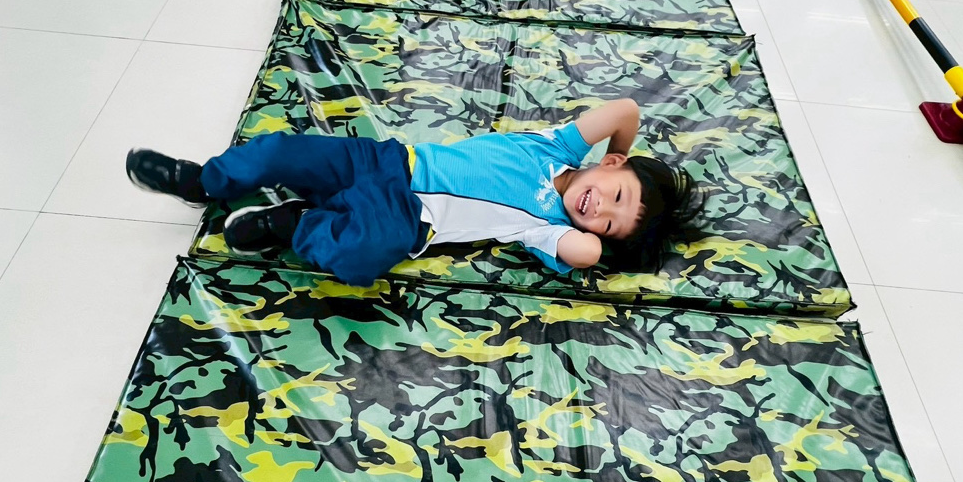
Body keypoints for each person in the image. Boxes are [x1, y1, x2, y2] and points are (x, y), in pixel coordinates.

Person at [126, 98, 703, 287]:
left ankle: (293, 223)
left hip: (406, 216)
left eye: (609, 221)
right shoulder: (554, 146)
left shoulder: (545, 226)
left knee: (362, 255)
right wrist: (614, 154)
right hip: (386, 161)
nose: (600, 209)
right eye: (615, 194)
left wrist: (601, 238)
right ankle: (203, 182)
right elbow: (626, 110)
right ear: (611, 164)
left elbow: (586, 252)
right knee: (281, 153)